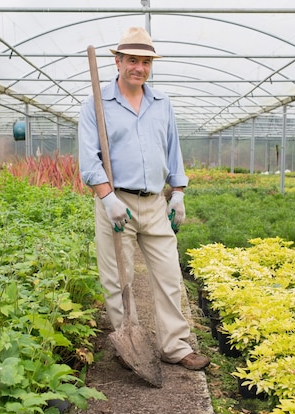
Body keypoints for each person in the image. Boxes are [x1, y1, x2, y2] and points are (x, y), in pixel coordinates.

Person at [78, 26, 210, 371]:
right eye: (132, 60)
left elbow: (172, 150)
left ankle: (175, 346)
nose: (139, 67)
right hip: (116, 202)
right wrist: (106, 197)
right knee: (118, 279)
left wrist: (177, 192)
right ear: (118, 62)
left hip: (153, 203)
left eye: (146, 61)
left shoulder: (161, 103)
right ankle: (130, 343)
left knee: (168, 274)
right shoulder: (96, 103)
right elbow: (89, 159)